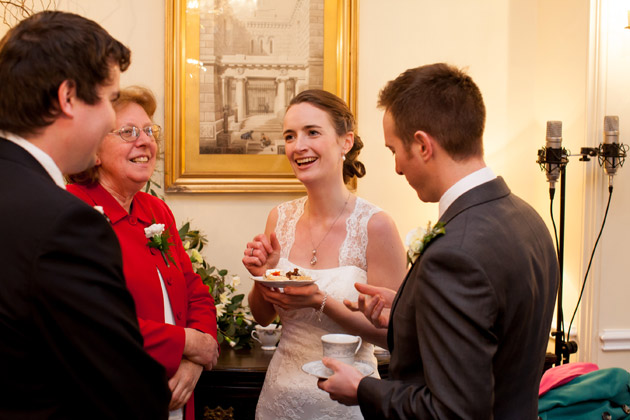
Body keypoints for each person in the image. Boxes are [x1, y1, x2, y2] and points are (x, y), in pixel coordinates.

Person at [318, 63, 559, 419]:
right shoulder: (528, 218)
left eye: (394, 150)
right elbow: (492, 333)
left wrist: (363, 389)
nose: (398, 167)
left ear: (422, 145)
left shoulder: (455, 254)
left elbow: (453, 412)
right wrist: (408, 309)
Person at [0, 11, 171, 419]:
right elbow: (127, 393)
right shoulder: (64, 223)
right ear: (68, 97)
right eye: (111, 100)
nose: (114, 119)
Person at [242, 89, 407, 419]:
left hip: (349, 404)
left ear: (345, 142)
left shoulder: (376, 226)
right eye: (290, 136)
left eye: (312, 132)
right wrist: (263, 275)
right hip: (280, 398)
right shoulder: (280, 218)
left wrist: (320, 300)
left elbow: (397, 338)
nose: (298, 146)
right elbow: (262, 317)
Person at [66, 86, 219, 420]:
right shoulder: (72, 211)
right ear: (93, 149)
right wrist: (188, 344)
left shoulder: (156, 210)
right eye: (128, 132)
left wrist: (193, 362)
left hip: (175, 394)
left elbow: (196, 291)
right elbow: (93, 324)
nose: (146, 141)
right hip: (112, 397)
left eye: (150, 131)